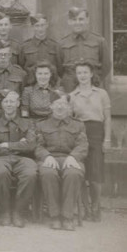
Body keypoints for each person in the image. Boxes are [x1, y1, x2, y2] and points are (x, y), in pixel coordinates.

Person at [35, 95, 88, 231]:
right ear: (51, 106)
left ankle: (67, 216)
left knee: (74, 174)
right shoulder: (41, 124)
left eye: (63, 104)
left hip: (70, 158)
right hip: (49, 159)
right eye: (56, 104)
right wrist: (46, 156)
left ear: (69, 108)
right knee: (48, 173)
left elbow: (83, 145)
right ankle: (55, 216)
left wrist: (73, 156)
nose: (59, 107)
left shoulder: (78, 124)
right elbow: (37, 146)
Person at [69, 60, 112, 222]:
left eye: (85, 72)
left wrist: (107, 139)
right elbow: (71, 120)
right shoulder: (72, 96)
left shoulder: (101, 93)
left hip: (97, 133)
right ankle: (85, 209)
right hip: (79, 134)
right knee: (80, 172)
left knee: (95, 174)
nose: (82, 76)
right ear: (76, 75)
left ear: (91, 74)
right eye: (79, 73)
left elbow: (107, 118)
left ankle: (96, 208)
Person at [0, 90, 37, 228]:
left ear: (18, 104)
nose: (9, 104)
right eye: (6, 102)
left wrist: (7, 145)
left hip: (23, 159)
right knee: (1, 173)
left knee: (30, 173)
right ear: (2, 105)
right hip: (1, 159)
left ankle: (18, 212)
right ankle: (4, 211)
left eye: (12, 101)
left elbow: (31, 145)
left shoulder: (28, 123)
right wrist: (20, 144)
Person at [60, 7, 111, 92]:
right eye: (74, 19)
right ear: (69, 22)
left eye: (81, 19)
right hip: (70, 88)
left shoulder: (99, 41)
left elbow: (106, 66)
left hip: (93, 86)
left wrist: (95, 79)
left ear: (87, 20)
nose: (77, 23)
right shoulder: (62, 43)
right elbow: (60, 69)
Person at [0, 46, 27, 121]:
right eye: (0, 55)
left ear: (10, 56)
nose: (3, 57)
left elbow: (24, 96)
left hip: (14, 111)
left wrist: (24, 115)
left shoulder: (20, 73)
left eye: (5, 54)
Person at [18, 13, 62, 81]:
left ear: (47, 25)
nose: (40, 29)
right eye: (37, 26)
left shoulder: (55, 46)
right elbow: (21, 68)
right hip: (31, 84)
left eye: (42, 25)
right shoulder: (25, 47)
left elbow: (60, 69)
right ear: (32, 26)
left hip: (50, 84)